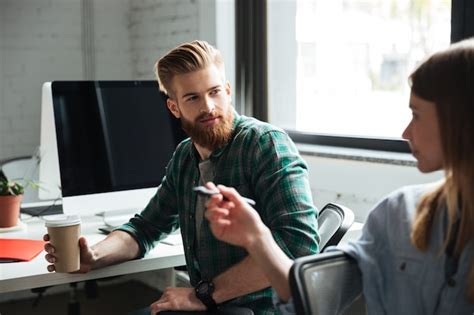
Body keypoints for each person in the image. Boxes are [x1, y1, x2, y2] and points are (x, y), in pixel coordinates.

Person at [43, 40, 319, 314]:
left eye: (215, 92)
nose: (209, 106)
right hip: (211, 306)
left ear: (228, 91)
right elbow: (146, 228)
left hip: (259, 309)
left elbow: (299, 247)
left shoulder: (265, 144)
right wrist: (94, 256)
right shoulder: (185, 157)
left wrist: (205, 295)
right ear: (174, 108)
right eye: (193, 97)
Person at [205, 38, 474, 314]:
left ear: (459, 121)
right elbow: (313, 296)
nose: (406, 133)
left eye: (416, 115)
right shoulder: (398, 214)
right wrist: (256, 237)